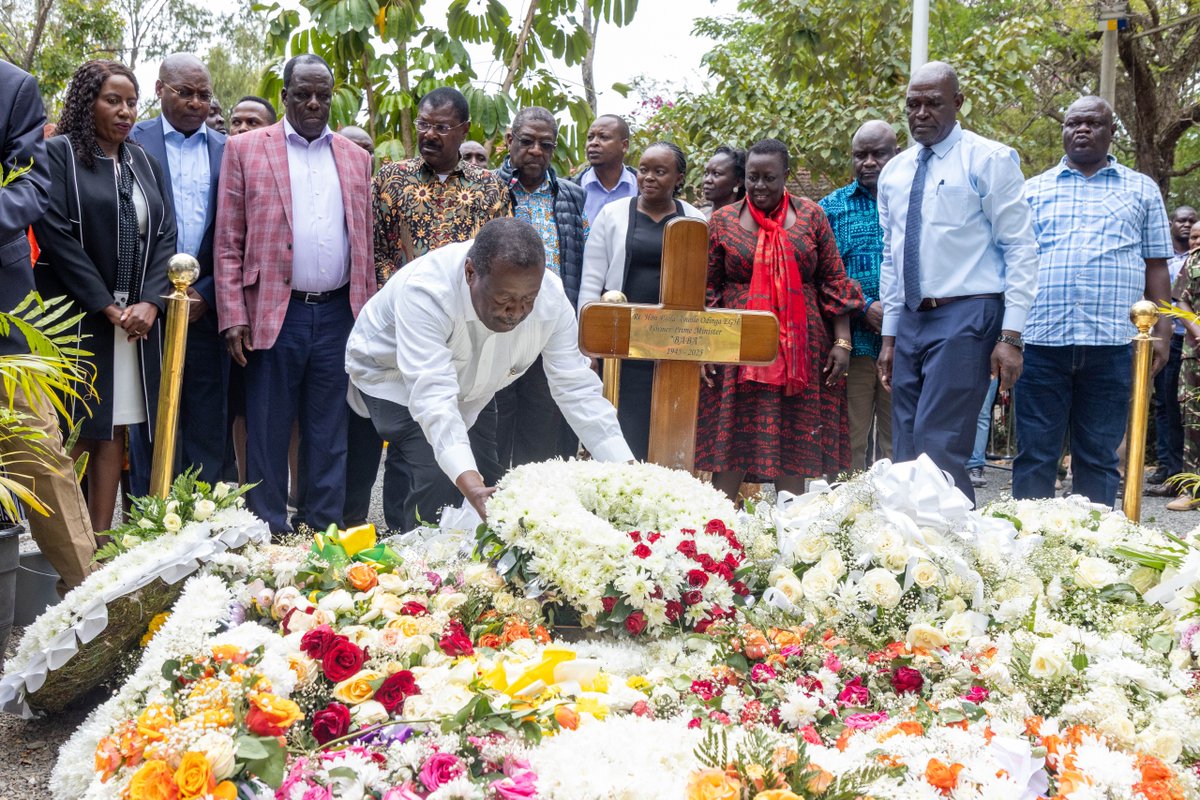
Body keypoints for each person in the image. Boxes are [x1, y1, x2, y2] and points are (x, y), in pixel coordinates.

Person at [345, 218, 633, 529]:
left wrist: (629, 472)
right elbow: (433, 399)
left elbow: (576, 388)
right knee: (438, 477)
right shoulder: (426, 291)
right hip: (393, 376)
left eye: (527, 301)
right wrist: (469, 485)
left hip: (473, 390)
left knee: (491, 485)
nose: (516, 312)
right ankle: (417, 562)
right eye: (504, 300)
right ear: (471, 273)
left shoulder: (550, 297)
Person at [215, 54, 375, 534]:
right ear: (284, 96)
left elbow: (363, 243)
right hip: (271, 313)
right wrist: (232, 314)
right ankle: (266, 532)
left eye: (322, 95)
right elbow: (228, 241)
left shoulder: (356, 158)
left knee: (329, 431)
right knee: (267, 427)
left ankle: (320, 530)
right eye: (302, 94)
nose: (313, 103)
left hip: (338, 314)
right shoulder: (245, 149)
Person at [876, 61, 1038, 506]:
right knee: (906, 447)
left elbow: (1021, 248)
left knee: (939, 443)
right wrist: (889, 336)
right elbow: (892, 260)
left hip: (968, 312)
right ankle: (903, 556)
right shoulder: (894, 172)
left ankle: (955, 552)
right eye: (913, 104)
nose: (921, 113)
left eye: (933, 103)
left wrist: (1011, 335)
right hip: (910, 318)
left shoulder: (989, 159)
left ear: (958, 103)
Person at [33, 60, 177, 534]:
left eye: (132, 102)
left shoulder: (143, 162)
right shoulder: (58, 155)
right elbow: (55, 238)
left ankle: (99, 545)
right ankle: (63, 545)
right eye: (112, 100)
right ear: (86, 102)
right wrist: (109, 307)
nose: (125, 111)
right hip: (77, 316)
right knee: (73, 428)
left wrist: (152, 303)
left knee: (115, 426)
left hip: (135, 320)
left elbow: (165, 236)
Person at [1013, 95, 1173, 507]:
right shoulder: (1032, 190)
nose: (1081, 130)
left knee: (1099, 457)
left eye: (1092, 123)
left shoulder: (1141, 189)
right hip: (1042, 342)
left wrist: (1163, 332)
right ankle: (1026, 552)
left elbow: (1156, 265)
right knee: (1035, 455)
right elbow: (1014, 264)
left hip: (1114, 344)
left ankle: (1092, 552)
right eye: (1072, 123)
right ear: (1063, 130)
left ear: (1111, 132)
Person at [370, 86, 509, 530]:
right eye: (424, 124)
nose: (429, 134)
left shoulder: (490, 188)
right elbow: (374, 251)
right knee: (413, 441)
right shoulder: (391, 179)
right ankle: (402, 538)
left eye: (442, 127)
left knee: (476, 433)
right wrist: (406, 299)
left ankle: (472, 537)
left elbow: (502, 257)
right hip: (411, 331)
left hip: (474, 333)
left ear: (464, 130)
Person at [697, 138, 863, 501]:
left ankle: (792, 527)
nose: (759, 186)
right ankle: (718, 529)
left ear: (786, 175)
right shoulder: (722, 220)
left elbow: (832, 280)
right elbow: (707, 289)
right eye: (752, 177)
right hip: (736, 347)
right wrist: (706, 348)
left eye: (769, 178)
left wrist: (842, 342)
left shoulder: (812, 216)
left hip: (801, 348)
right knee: (735, 436)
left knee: (794, 435)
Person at [0, 60, 97, 594]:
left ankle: (88, 607)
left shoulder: (13, 87)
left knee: (39, 455)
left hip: (6, 316)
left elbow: (31, 186)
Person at [131, 53, 227, 485]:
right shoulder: (132, 141)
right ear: (159, 90)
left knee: (207, 418)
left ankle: (203, 522)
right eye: (184, 92)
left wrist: (205, 290)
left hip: (207, 308)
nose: (195, 102)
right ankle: (147, 524)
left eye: (203, 95)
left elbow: (233, 232)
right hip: (146, 308)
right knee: (148, 419)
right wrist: (154, 294)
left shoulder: (229, 150)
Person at [579, 142, 705, 461]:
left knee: (666, 423)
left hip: (673, 343)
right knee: (623, 423)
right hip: (622, 343)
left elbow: (704, 284)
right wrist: (588, 345)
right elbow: (591, 282)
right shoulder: (613, 214)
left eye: (659, 172)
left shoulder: (695, 219)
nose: (648, 177)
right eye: (644, 170)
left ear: (679, 178)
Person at [494, 107, 590, 468]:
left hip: (550, 329)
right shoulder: (487, 189)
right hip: (499, 327)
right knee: (494, 424)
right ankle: (485, 514)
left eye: (546, 145)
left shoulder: (571, 195)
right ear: (509, 141)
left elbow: (577, 262)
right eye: (527, 141)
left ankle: (534, 514)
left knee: (543, 428)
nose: (536, 151)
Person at [818, 120, 899, 473]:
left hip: (907, 343)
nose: (868, 162)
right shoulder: (831, 207)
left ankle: (898, 520)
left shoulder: (915, 200)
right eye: (860, 155)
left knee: (899, 444)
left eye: (878, 154)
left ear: (896, 154)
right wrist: (864, 306)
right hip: (853, 344)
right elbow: (822, 273)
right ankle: (849, 521)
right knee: (848, 441)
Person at [1147, 204, 1196, 493]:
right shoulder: (1161, 261)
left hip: (1188, 341)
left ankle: (1184, 472)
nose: (1187, 226)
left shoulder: (1194, 261)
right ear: (1171, 224)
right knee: (1164, 405)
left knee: (1185, 407)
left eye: (1191, 221)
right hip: (1164, 338)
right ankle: (1167, 466)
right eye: (1181, 221)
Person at [1168, 224, 1200, 511]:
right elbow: (1180, 302)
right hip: (1197, 353)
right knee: (1192, 419)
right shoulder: (1194, 260)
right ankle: (1191, 490)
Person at [573, 114, 637, 223]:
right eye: (590, 137)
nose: (593, 143)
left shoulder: (642, 187)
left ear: (624, 146)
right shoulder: (570, 190)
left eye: (603, 137)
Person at [702, 145, 745, 218]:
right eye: (706, 173)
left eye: (716, 174)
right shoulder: (699, 218)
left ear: (738, 182)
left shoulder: (747, 222)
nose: (707, 180)